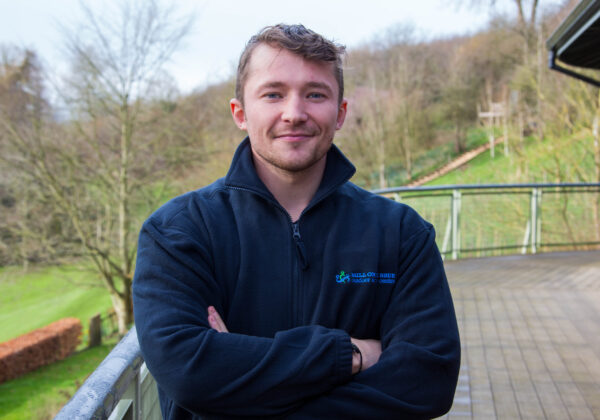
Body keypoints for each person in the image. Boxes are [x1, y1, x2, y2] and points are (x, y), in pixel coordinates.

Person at [132, 24, 460, 419]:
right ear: (240, 113)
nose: (294, 113)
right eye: (273, 94)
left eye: (315, 95)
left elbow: (428, 381)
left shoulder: (401, 234)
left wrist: (236, 382)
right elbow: (188, 371)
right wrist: (349, 356)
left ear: (340, 113)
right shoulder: (179, 232)